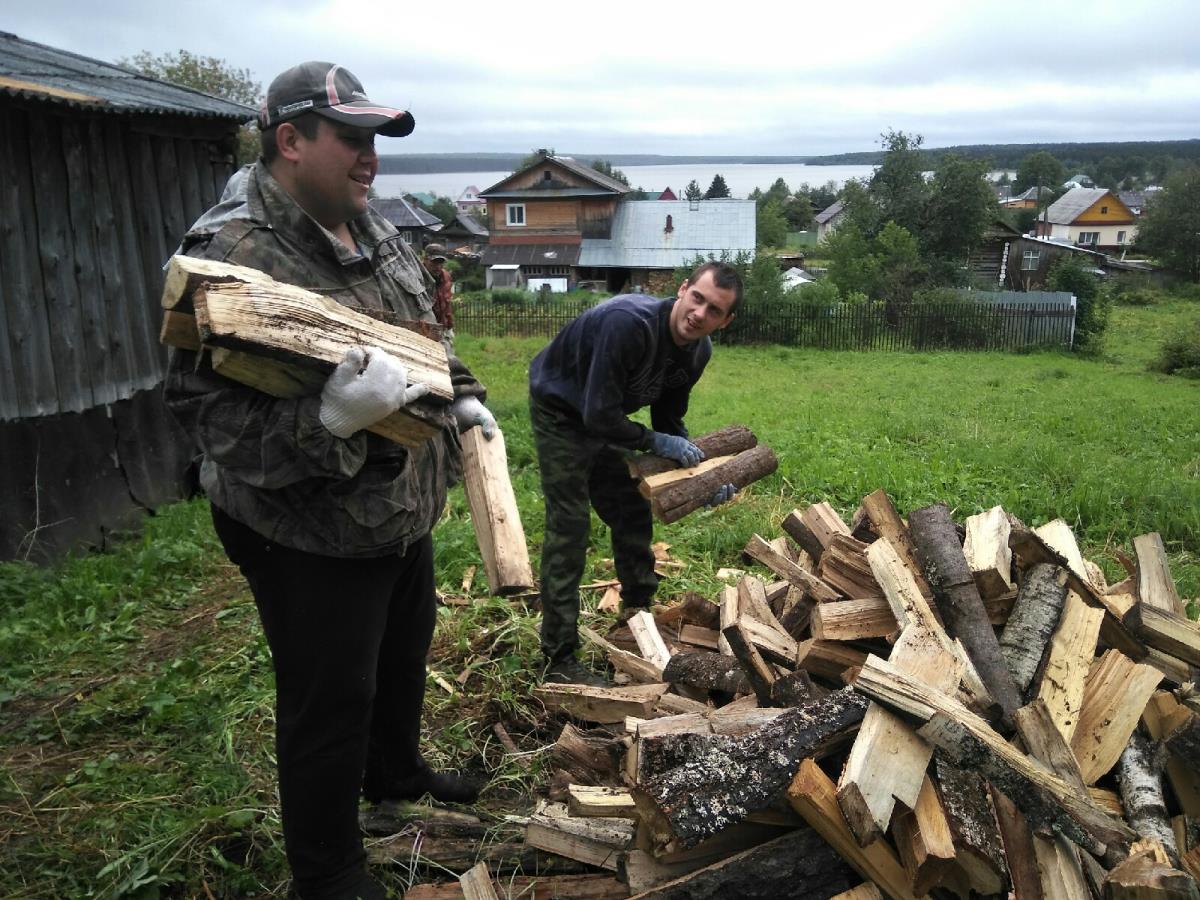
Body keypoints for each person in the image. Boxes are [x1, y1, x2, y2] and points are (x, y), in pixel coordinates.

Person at [165, 61, 497, 900]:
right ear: (290, 140)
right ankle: (329, 868)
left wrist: (462, 399)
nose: (369, 157)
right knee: (328, 699)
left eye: (374, 139)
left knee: (400, 658)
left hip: (397, 510)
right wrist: (330, 423)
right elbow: (211, 424)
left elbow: (424, 325)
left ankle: (395, 775)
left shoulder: (369, 221)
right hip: (304, 531)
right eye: (350, 138)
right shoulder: (231, 256)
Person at [528, 262, 742, 686]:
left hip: (606, 416)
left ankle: (635, 615)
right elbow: (599, 415)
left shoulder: (698, 352)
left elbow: (668, 421)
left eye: (714, 310)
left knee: (631, 510)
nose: (699, 313)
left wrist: (702, 477)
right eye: (696, 298)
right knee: (570, 526)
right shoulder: (628, 325)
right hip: (562, 412)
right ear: (682, 290)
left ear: (726, 320)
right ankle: (559, 657)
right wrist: (657, 442)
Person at [422, 242, 455, 339]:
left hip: (442, 328)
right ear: (425, 260)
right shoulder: (417, 277)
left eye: (441, 263)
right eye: (434, 262)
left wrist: (449, 326)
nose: (437, 266)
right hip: (424, 330)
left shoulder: (446, 277)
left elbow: (447, 304)